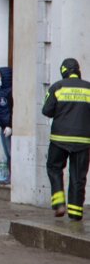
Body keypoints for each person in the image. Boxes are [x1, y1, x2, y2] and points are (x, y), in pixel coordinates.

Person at [42, 58, 90, 221]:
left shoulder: (57, 87)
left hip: (59, 139)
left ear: (63, 71)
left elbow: (46, 110)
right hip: (83, 141)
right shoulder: (89, 88)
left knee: (54, 168)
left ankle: (59, 202)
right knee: (78, 177)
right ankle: (76, 214)